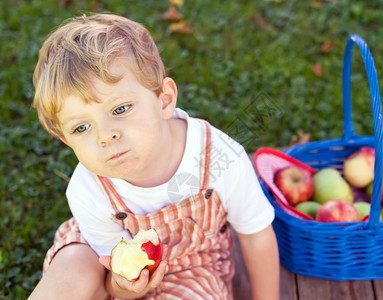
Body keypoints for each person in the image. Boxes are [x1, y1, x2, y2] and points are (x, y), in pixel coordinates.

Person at [28, 13, 279, 300]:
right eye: (81, 127)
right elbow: (114, 277)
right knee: (74, 271)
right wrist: (122, 287)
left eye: (120, 109)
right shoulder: (88, 191)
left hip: (191, 266)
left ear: (164, 100)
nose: (104, 136)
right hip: (105, 263)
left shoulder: (218, 157)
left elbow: (256, 235)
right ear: (66, 140)